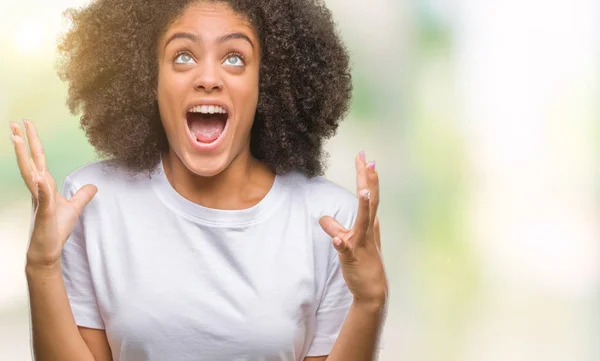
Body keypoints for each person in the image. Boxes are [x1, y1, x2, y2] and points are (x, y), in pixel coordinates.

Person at [9, 0, 388, 360]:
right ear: (149, 80)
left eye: (235, 58)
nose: (208, 78)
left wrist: (370, 299)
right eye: (183, 56)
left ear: (266, 85)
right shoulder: (91, 202)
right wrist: (42, 265)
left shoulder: (331, 221)